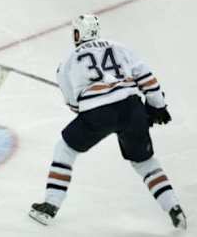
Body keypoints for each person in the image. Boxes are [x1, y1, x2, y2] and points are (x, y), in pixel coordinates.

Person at [28, 14, 187, 230]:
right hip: (132, 108)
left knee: (64, 150)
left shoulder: (68, 60)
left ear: (78, 33)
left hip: (98, 113)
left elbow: (74, 104)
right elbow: (147, 77)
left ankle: (50, 205)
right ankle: (175, 209)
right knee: (144, 162)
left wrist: (92, 107)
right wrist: (157, 105)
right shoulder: (120, 47)